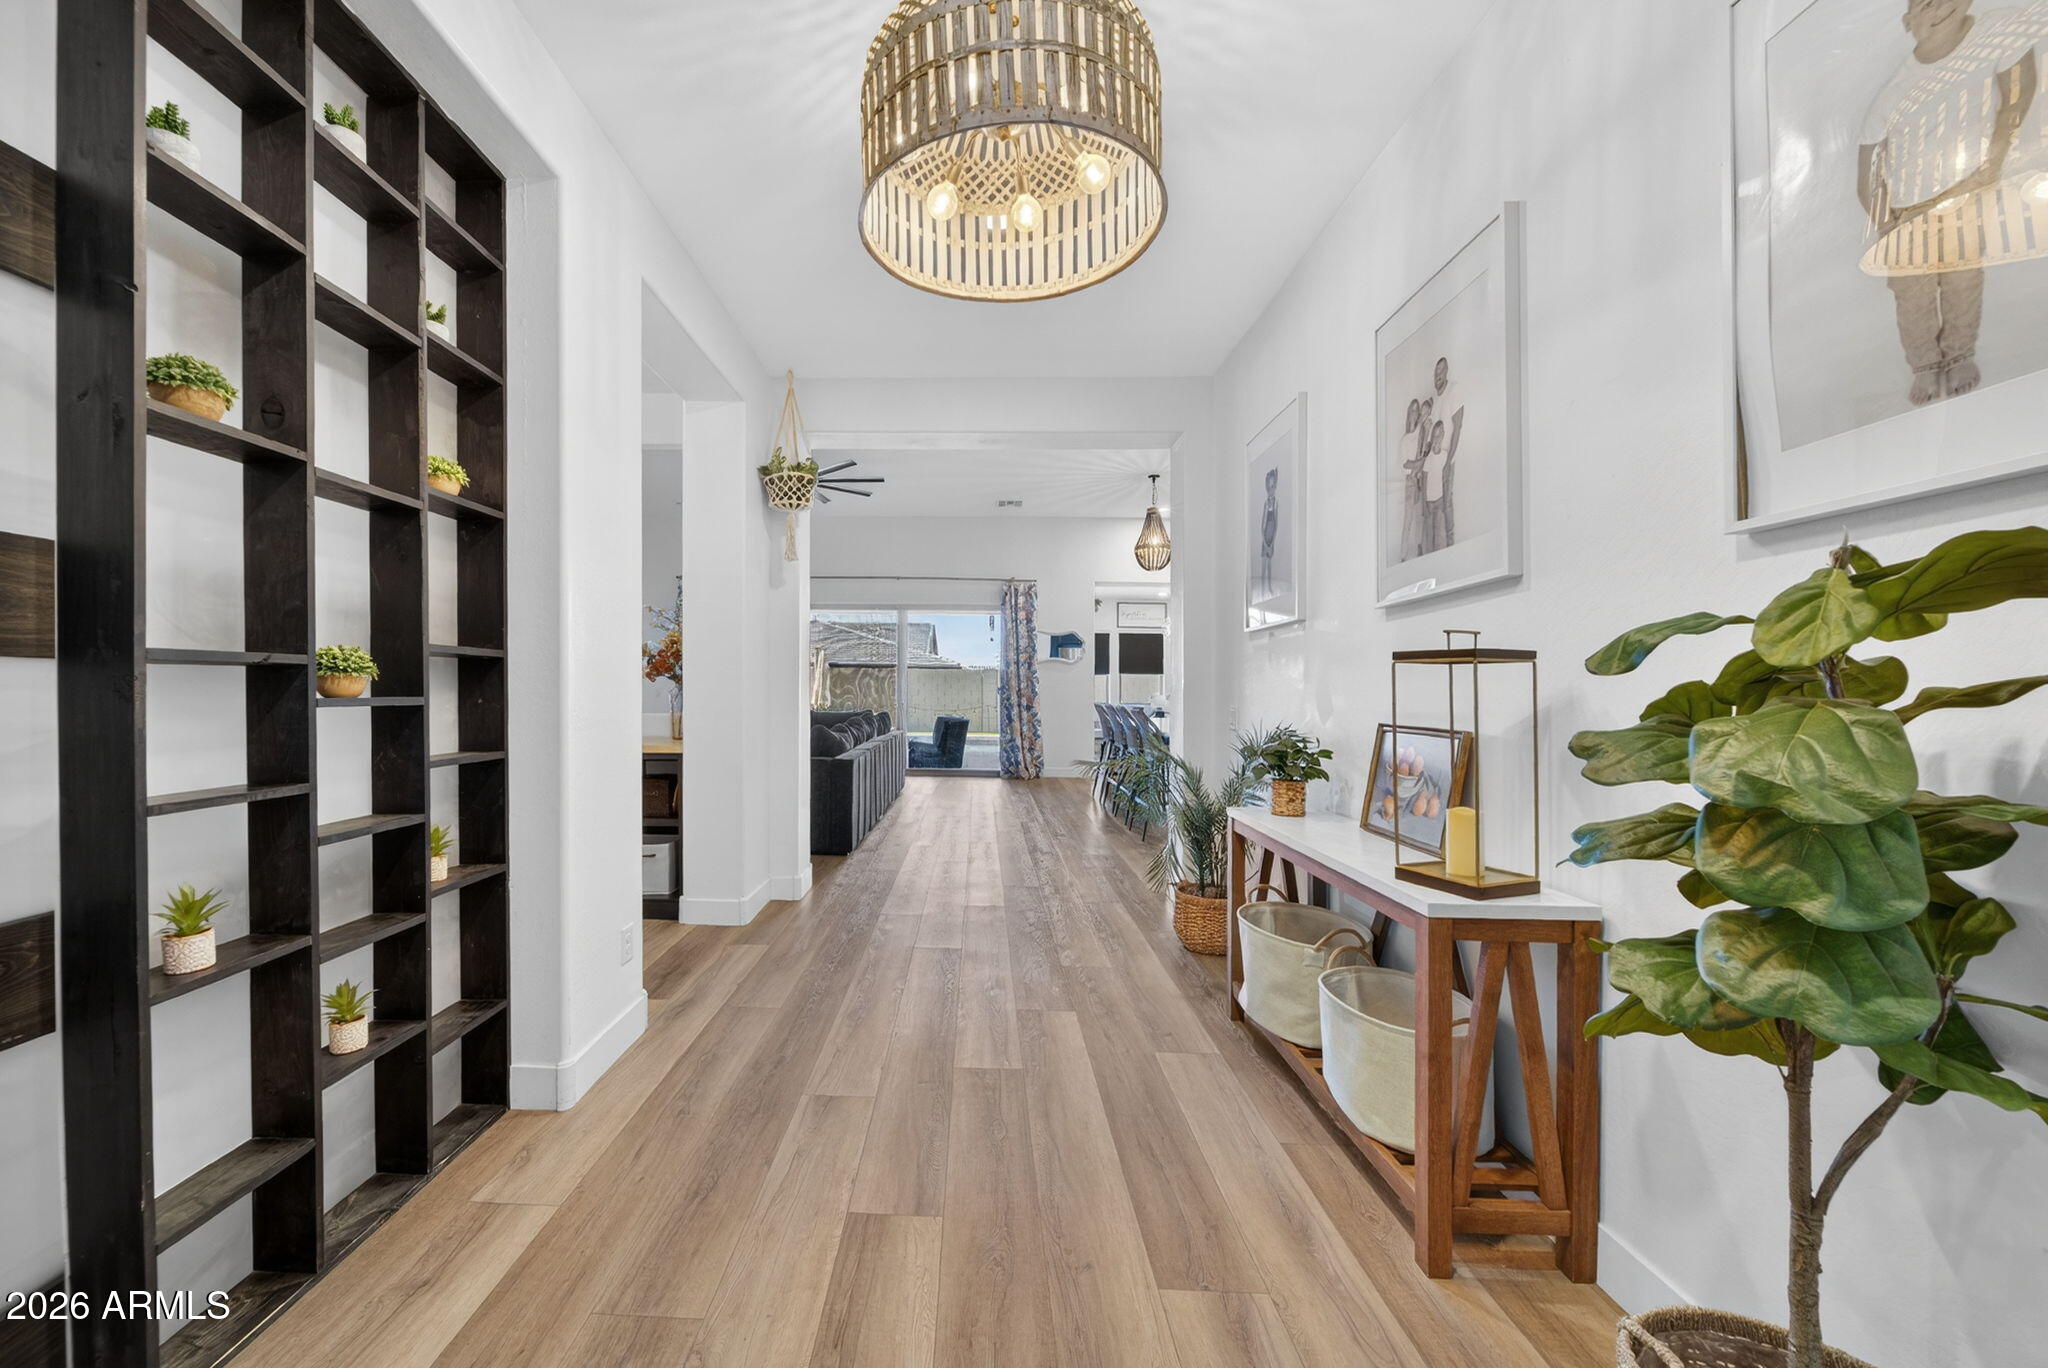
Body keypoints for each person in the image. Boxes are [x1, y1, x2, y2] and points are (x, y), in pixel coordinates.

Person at [1859, 0, 2042, 404]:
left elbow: (2019, 92)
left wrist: (1993, 163)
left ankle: (1959, 353)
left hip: (1965, 195)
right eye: (1924, 4)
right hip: (1907, 213)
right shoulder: (1893, 94)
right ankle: (1925, 364)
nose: (1939, 6)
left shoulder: (1991, 38)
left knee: (1964, 281)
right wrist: (1886, 224)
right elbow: (1867, 172)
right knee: (1914, 295)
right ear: (1909, 23)